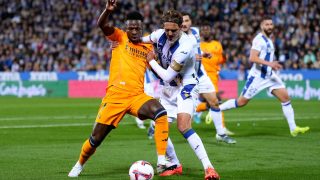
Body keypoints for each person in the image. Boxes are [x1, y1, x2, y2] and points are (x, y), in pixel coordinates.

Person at [68, 0, 170, 177]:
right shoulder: (119, 37)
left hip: (137, 96)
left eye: (138, 28)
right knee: (95, 139)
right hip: (115, 97)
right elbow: (102, 24)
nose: (135, 31)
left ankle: (162, 160)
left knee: (160, 113)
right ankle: (79, 164)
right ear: (126, 28)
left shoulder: (148, 47)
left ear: (142, 27)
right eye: (131, 28)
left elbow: (159, 69)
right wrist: (107, 11)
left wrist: (155, 61)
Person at [142, 9, 220, 180]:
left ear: (180, 28)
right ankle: (175, 164)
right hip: (167, 89)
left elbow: (168, 75)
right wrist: (120, 43)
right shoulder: (158, 34)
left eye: (174, 30)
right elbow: (138, 41)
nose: (169, 33)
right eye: (167, 29)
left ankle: (209, 168)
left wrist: (151, 61)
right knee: (158, 127)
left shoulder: (186, 45)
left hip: (186, 86)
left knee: (183, 126)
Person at [219, 16, 310, 137]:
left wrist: (271, 65)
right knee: (241, 102)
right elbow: (252, 57)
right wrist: (270, 64)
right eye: (267, 24)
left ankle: (293, 128)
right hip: (258, 76)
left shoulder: (269, 39)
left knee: (285, 98)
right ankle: (216, 110)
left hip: (270, 76)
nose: (270, 27)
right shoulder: (259, 39)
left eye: (271, 24)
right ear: (262, 26)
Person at [181, 12, 236, 144]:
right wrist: (192, 57)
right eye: (181, 21)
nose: (184, 23)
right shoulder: (176, 36)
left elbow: (196, 49)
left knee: (214, 102)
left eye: (187, 20)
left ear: (191, 22)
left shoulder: (195, 32)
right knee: (183, 109)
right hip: (186, 77)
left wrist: (202, 54)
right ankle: (157, 127)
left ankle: (221, 134)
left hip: (201, 74)